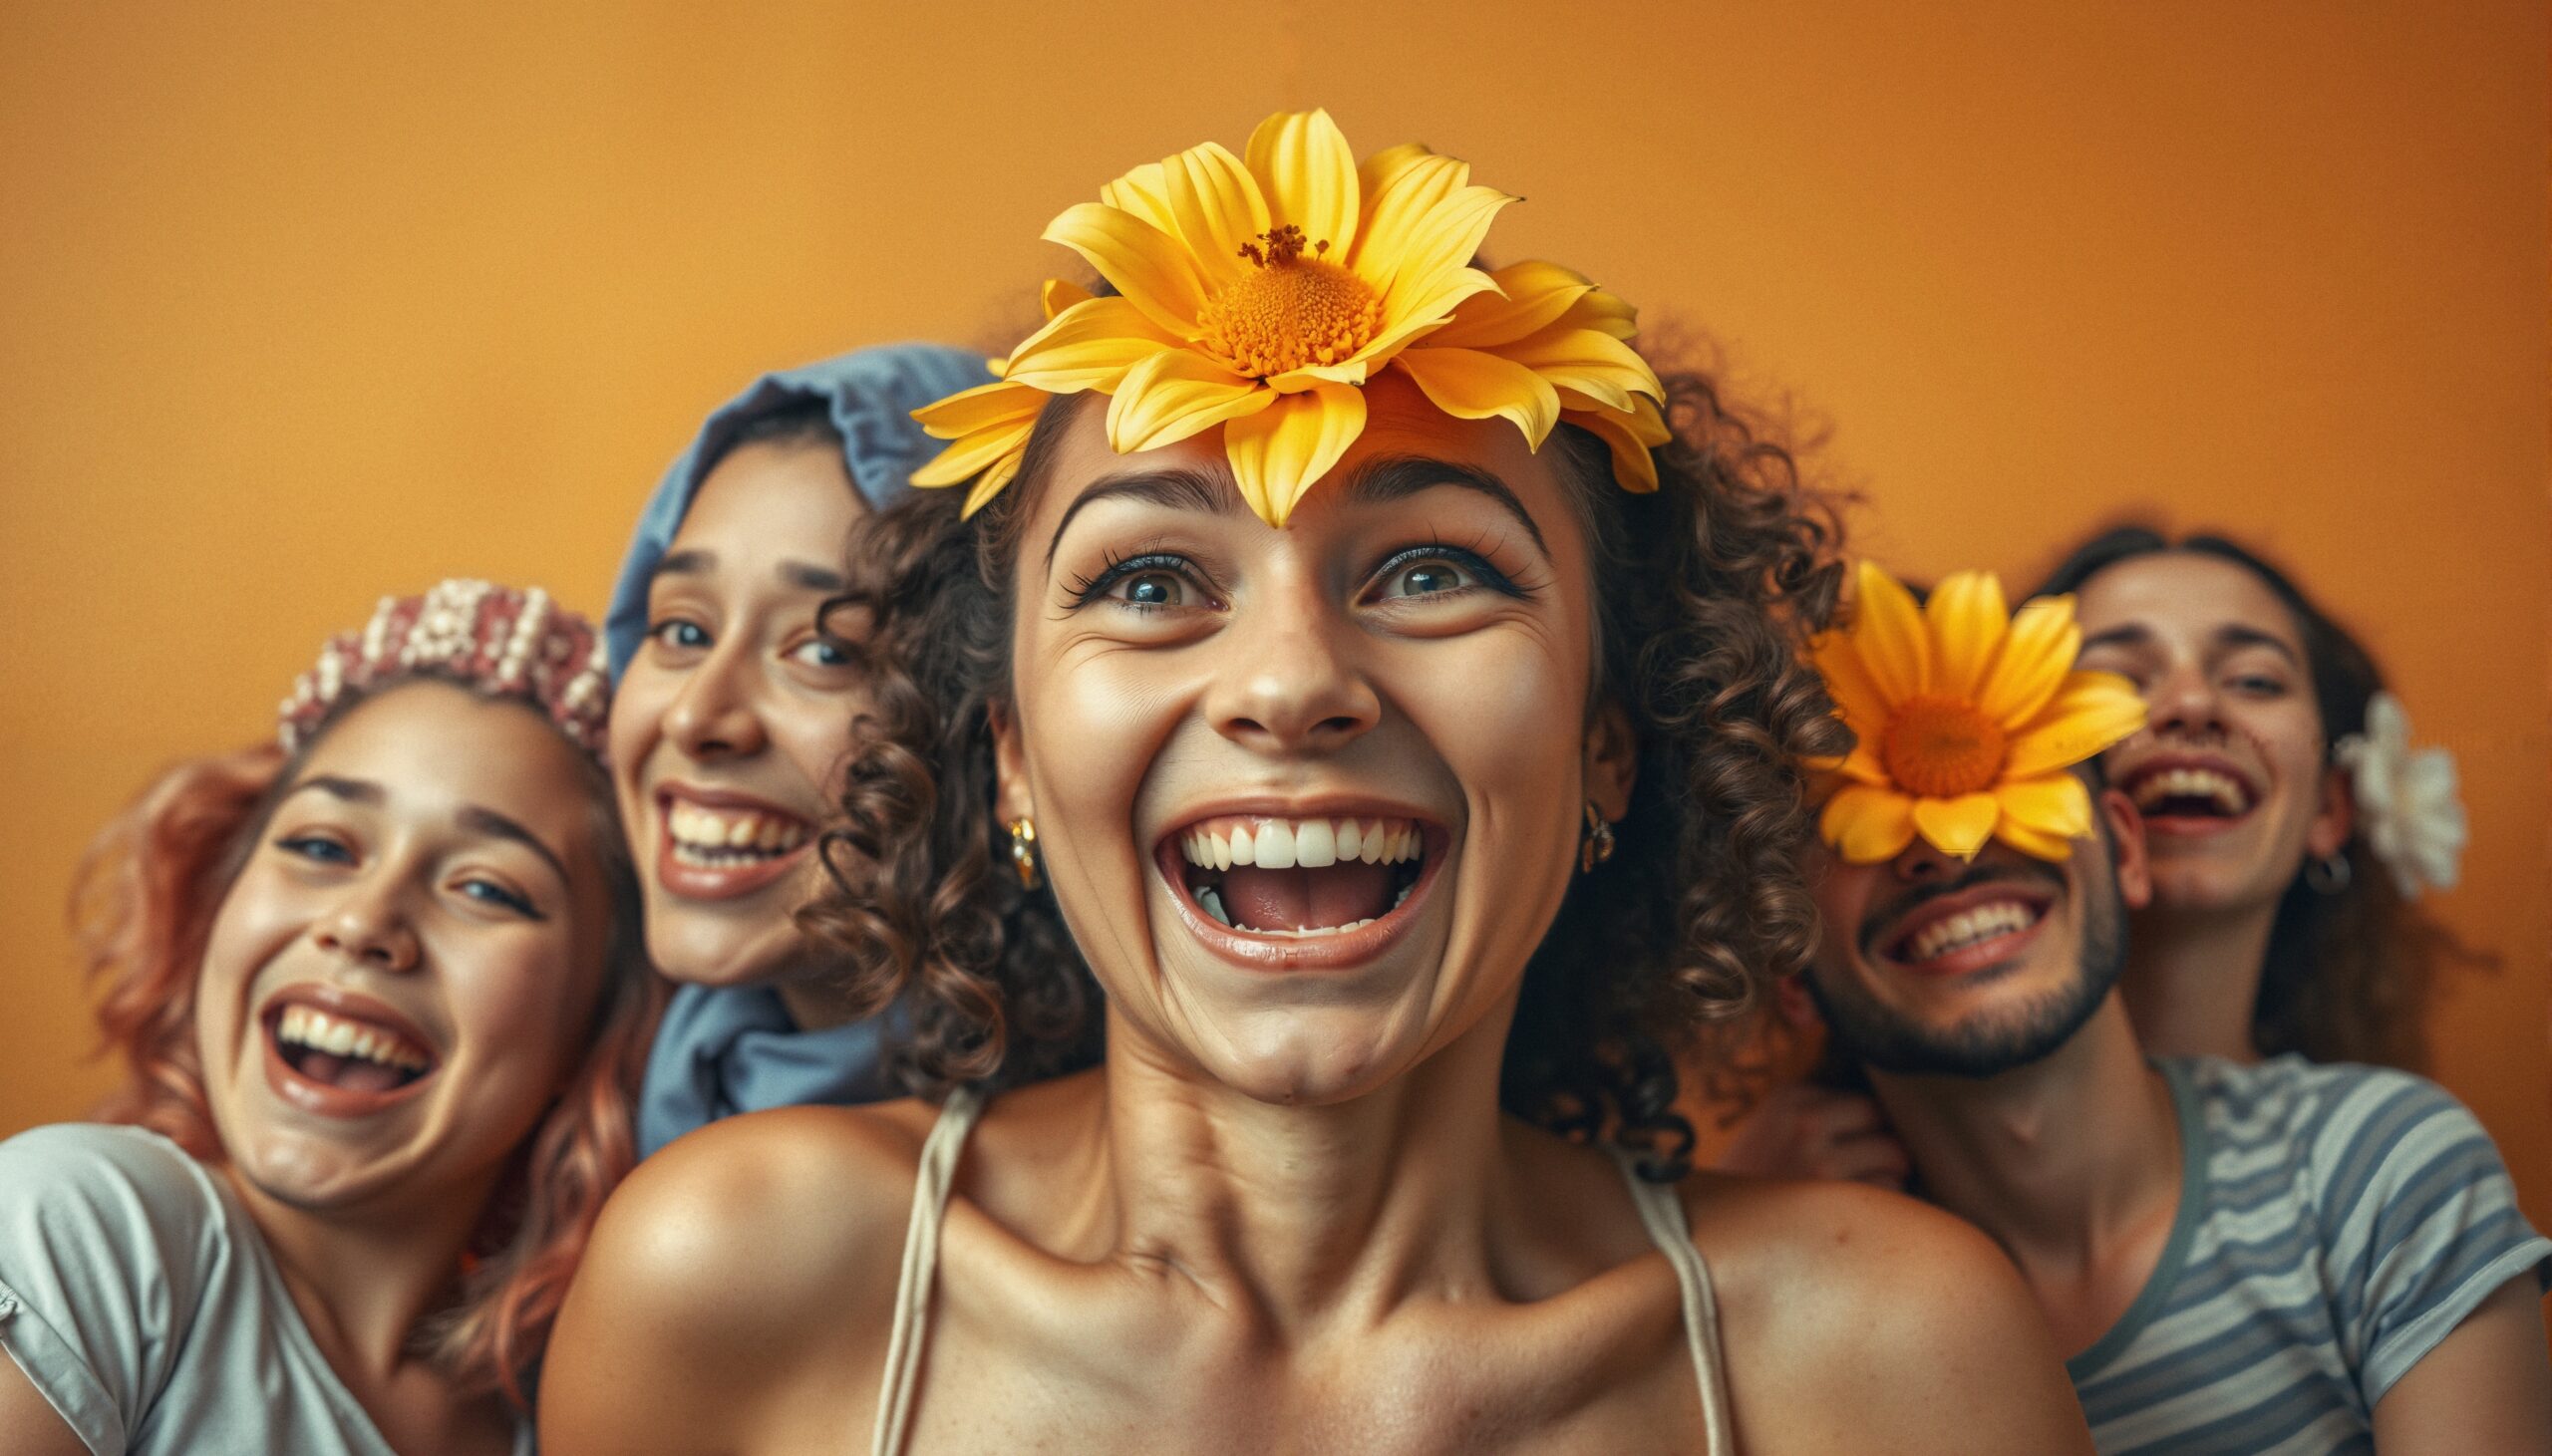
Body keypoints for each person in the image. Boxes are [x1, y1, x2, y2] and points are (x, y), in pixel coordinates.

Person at [544, 110, 2091, 1454]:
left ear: (1609, 738)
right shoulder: (737, 1285)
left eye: (1429, 570)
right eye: (1149, 580)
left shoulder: (1896, 1364)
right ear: (1011, 752)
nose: (1290, 684)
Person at [1798, 562, 2550, 1453]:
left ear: (2119, 845)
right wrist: (1747, 1239)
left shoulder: (2375, 1167)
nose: (1941, 842)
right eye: (2118, 679)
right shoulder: (1799, 1297)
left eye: (2256, 678)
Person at [0, 581, 663, 1455]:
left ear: (599, 1023)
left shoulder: (572, 1423)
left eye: (485, 887)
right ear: (218, 901)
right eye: (321, 846)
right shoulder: (79, 1229)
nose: (361, 922)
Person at [600, 344, 1009, 1156]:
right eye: (683, 630)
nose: (696, 715)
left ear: (994, 724)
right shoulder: (601, 1092)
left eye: (825, 651)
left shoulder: (1099, 1160)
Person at [2039, 525, 2465, 1069]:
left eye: (2255, 681)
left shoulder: (2397, 1145)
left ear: (2330, 808)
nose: (2192, 701)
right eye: (2114, 679)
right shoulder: (1903, 1128)